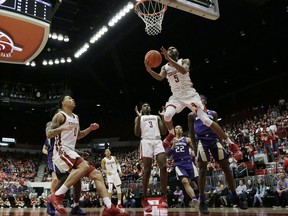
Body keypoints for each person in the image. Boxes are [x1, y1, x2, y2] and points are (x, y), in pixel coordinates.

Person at [144, 46, 242, 161]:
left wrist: (170, 59)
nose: (171, 50)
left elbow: (184, 70)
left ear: (177, 52)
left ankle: (231, 144)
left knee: (206, 120)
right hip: (176, 97)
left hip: (190, 95)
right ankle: (171, 134)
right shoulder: (165, 67)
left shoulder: (185, 61)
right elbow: (160, 77)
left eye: (173, 49)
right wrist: (149, 70)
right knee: (167, 116)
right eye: (169, 49)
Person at [46, 95, 129, 216]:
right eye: (69, 98)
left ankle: (109, 206)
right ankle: (57, 196)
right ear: (63, 103)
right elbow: (49, 134)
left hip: (71, 150)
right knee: (83, 167)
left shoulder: (76, 117)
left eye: (73, 98)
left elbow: (78, 135)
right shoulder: (60, 116)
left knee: (97, 175)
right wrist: (63, 127)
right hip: (61, 150)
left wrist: (90, 129)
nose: (73, 100)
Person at [188, 95, 248, 213]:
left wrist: (221, 143)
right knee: (203, 170)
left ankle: (235, 197)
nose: (200, 100)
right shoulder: (191, 115)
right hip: (201, 141)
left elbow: (217, 128)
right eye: (198, 99)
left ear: (205, 101)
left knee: (226, 167)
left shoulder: (213, 113)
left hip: (214, 140)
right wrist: (195, 149)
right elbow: (191, 132)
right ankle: (202, 201)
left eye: (202, 99)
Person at [42, 121, 87, 215]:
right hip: (54, 159)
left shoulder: (61, 135)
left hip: (64, 158)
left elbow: (67, 147)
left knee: (76, 178)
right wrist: (48, 153)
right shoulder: (50, 137)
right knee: (59, 179)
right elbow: (44, 149)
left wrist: (80, 152)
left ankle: (75, 205)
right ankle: (51, 203)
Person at [134, 102, 168, 212]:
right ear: (141, 109)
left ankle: (163, 197)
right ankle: (144, 198)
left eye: (148, 105)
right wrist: (139, 118)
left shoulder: (157, 117)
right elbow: (137, 133)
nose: (147, 107)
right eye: (144, 106)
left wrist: (163, 117)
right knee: (147, 170)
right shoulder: (139, 118)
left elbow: (163, 132)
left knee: (163, 166)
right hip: (146, 141)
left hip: (157, 140)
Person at [166, 125, 200, 210]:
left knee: (197, 181)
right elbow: (167, 154)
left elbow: (195, 149)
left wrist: (193, 144)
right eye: (176, 128)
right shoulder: (171, 141)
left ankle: (201, 197)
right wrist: (172, 146)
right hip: (178, 163)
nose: (178, 129)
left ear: (182, 130)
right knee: (184, 181)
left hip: (189, 162)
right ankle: (194, 199)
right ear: (174, 130)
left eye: (180, 128)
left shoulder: (187, 139)